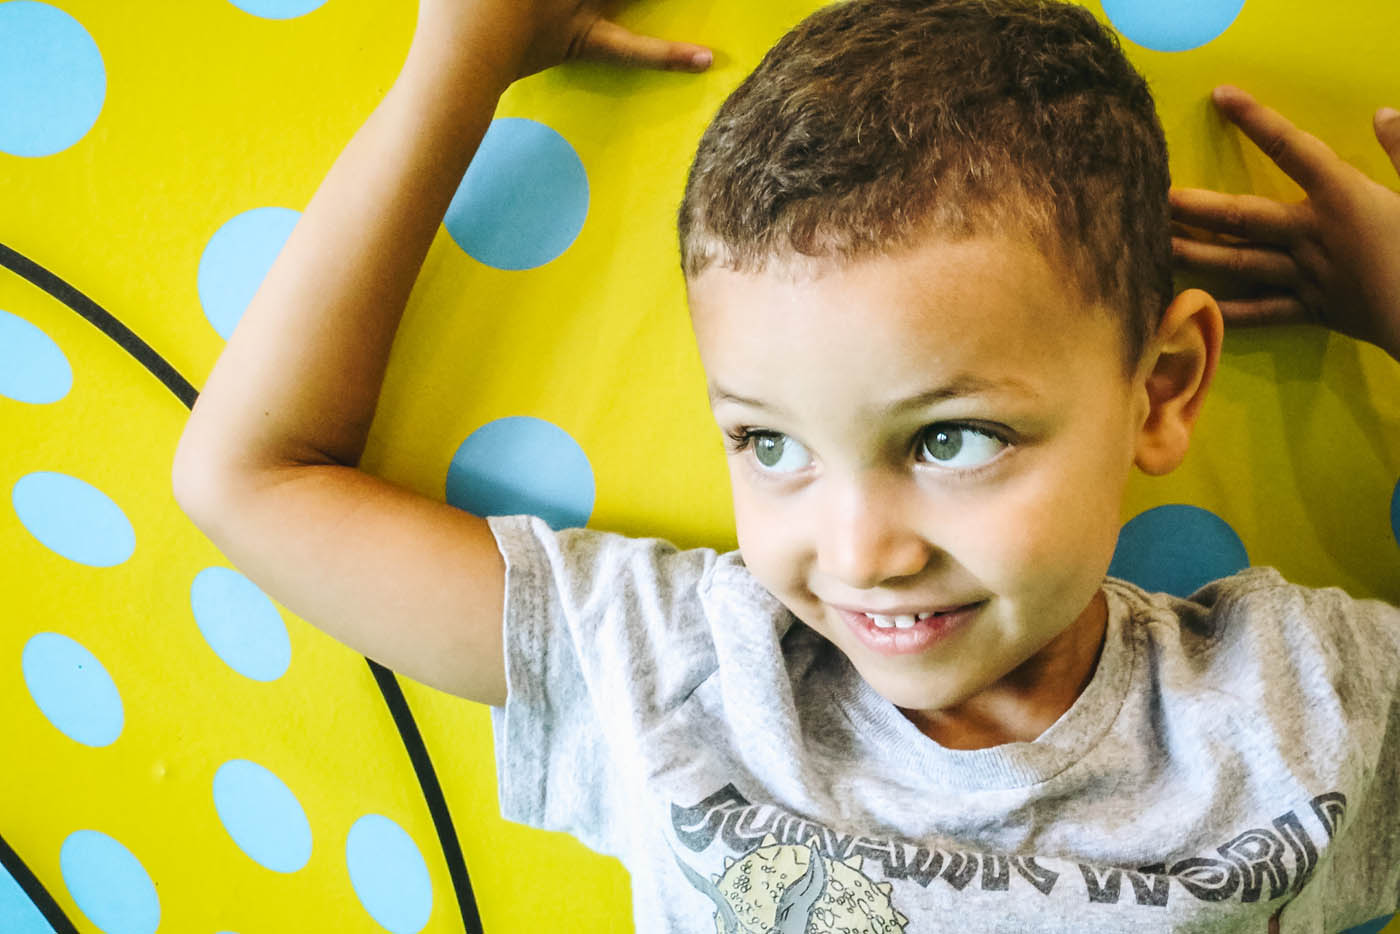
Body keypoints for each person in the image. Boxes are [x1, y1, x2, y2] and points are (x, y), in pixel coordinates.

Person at [170, 0, 1400, 930]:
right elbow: (250, 479)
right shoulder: (682, 668)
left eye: (949, 438)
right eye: (767, 444)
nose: (859, 553)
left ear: (1165, 385)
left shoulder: (1296, 706)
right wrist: (459, 60)